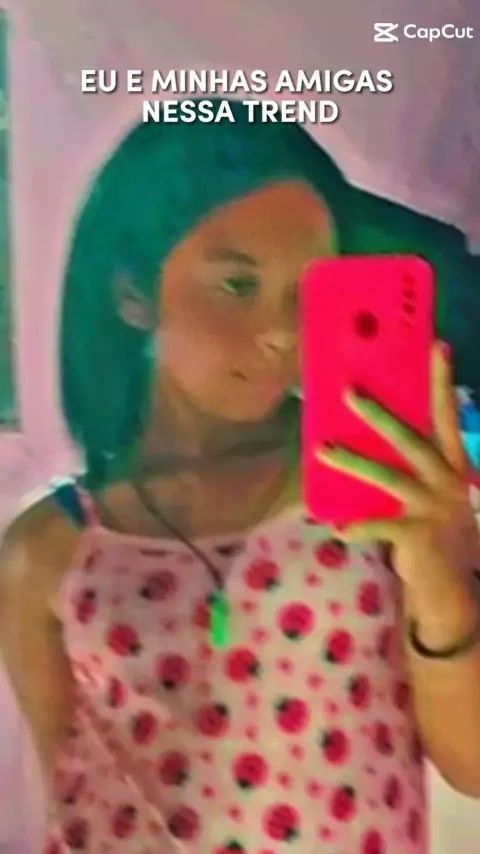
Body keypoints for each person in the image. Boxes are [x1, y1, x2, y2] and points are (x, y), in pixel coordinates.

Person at [1, 99, 480, 854]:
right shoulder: (46, 552)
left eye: (307, 294)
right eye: (237, 285)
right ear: (131, 291)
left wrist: (440, 573)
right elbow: (75, 799)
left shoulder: (381, 490)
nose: (282, 333)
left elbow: (474, 765)